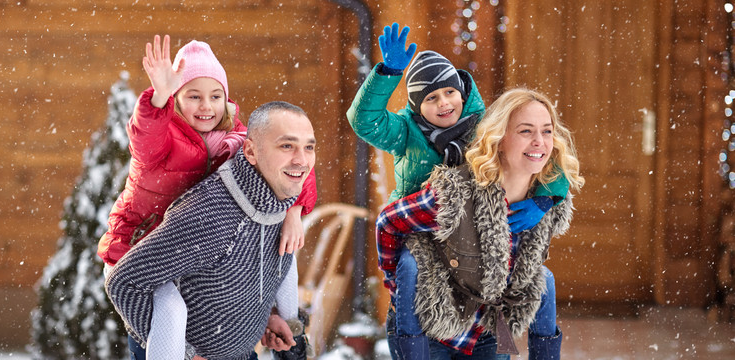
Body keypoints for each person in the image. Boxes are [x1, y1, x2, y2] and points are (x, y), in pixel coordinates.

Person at [346, 23, 569, 358]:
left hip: (473, 236)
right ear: (417, 106)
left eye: (449, 92)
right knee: (410, 269)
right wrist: (388, 73)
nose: (443, 103)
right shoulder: (405, 132)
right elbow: (365, 121)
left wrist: (547, 196)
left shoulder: (483, 127)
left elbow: (539, 156)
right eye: (431, 98)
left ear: (463, 93)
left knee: (543, 281)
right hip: (424, 226)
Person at [97, 35, 316, 359]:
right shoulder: (164, 138)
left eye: (215, 96)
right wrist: (158, 98)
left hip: (189, 251)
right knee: (169, 308)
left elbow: (290, 160)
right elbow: (144, 135)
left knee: (283, 253)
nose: (206, 106)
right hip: (139, 239)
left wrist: (294, 211)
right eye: (194, 96)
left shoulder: (236, 140)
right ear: (176, 98)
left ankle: (291, 335)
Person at [376, 87, 585, 360]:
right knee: (409, 263)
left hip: (486, 330)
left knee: (546, 279)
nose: (539, 141)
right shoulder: (456, 194)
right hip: (429, 327)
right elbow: (388, 223)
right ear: (499, 139)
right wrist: (396, 285)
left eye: (546, 131)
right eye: (525, 131)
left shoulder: (546, 198)